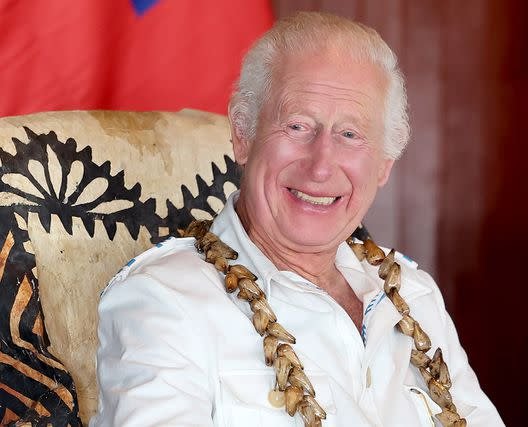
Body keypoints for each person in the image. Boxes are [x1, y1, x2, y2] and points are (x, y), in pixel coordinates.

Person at [90, 11, 504, 427]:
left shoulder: (415, 296)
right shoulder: (163, 303)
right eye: (297, 125)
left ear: (384, 164)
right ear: (243, 134)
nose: (321, 166)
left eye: (350, 134)